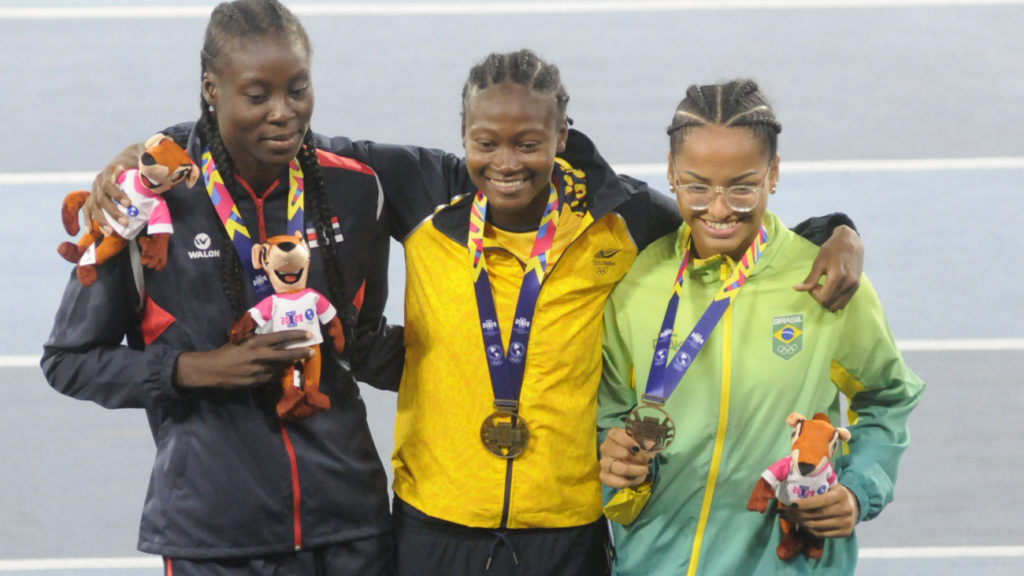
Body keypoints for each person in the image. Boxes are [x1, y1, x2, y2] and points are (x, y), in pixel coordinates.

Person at [84, 51, 863, 575]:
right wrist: (149, 153)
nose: (507, 160)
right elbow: (278, 135)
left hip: (569, 526)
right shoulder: (422, 191)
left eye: (530, 141)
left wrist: (834, 232)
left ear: (563, 134)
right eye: (486, 141)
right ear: (462, 139)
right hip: (433, 525)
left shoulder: (621, 214)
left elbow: (729, 224)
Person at [41, 1, 399, 574]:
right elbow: (69, 361)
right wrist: (192, 369)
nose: (283, 114)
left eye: (298, 90)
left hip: (350, 526)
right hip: (215, 535)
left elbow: (362, 338)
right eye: (258, 96)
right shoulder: (145, 200)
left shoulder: (352, 190)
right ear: (212, 87)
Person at [596, 80, 924, 576]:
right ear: (670, 174)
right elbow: (610, 414)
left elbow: (886, 398)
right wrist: (619, 464)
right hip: (654, 562)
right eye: (697, 185)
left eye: (743, 186)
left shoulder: (824, 282)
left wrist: (858, 490)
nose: (721, 208)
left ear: (773, 174)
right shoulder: (638, 284)